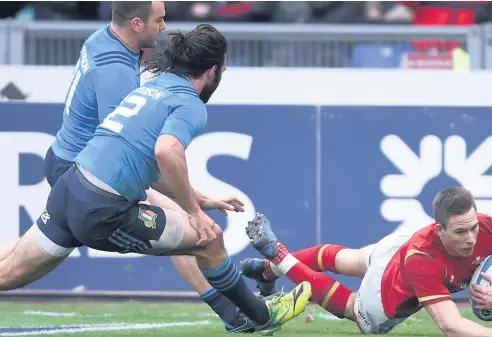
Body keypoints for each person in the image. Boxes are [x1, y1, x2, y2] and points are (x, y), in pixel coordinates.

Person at [0, 23, 311, 335]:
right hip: (102, 210)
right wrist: (193, 212)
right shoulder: (190, 104)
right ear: (215, 70)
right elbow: (166, 151)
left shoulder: (153, 87)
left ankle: (237, 316)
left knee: (8, 274)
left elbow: (147, 159)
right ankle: (260, 315)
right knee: (209, 239)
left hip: (69, 189)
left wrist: (198, 199)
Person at [242, 186, 492, 337]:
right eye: (460, 232)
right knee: (354, 309)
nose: (470, 238)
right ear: (439, 230)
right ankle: (278, 256)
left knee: (352, 258)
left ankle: (268, 272)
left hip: (401, 246)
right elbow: (450, 325)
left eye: (473, 227)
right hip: (393, 286)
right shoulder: (424, 260)